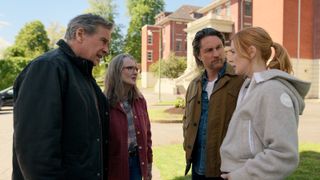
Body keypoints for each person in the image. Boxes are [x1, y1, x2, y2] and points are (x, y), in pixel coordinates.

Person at [12, 14, 113, 179]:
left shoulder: (83, 75)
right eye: (103, 41)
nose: (106, 50)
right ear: (80, 34)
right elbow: (36, 151)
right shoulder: (48, 68)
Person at [220, 27, 311, 180]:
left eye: (234, 52)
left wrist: (239, 176)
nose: (229, 58)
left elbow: (284, 155)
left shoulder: (272, 91)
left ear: (251, 52)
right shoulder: (248, 87)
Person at [183, 27, 244, 179]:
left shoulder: (241, 81)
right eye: (209, 50)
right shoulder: (193, 85)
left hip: (226, 171)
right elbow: (187, 121)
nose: (216, 54)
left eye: (219, 48)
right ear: (199, 55)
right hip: (197, 168)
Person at [104, 53, 152, 180]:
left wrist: (148, 164)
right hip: (115, 166)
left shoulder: (140, 100)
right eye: (130, 68)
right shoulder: (104, 103)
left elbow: (147, 135)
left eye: (136, 69)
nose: (135, 72)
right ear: (116, 71)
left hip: (137, 162)